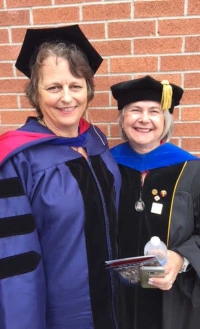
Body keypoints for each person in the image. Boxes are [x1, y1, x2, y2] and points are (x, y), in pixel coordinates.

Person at [0, 24, 121, 329]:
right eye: (54, 87)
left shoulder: (96, 142)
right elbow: (15, 263)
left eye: (76, 85)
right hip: (60, 314)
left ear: (88, 90)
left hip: (114, 304)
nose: (67, 98)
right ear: (35, 93)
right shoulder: (18, 160)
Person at [110, 75, 200, 329]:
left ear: (165, 120)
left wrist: (181, 259)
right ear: (122, 118)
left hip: (172, 300)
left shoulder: (194, 174)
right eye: (135, 110)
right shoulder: (104, 167)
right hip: (113, 297)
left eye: (154, 112)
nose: (144, 119)